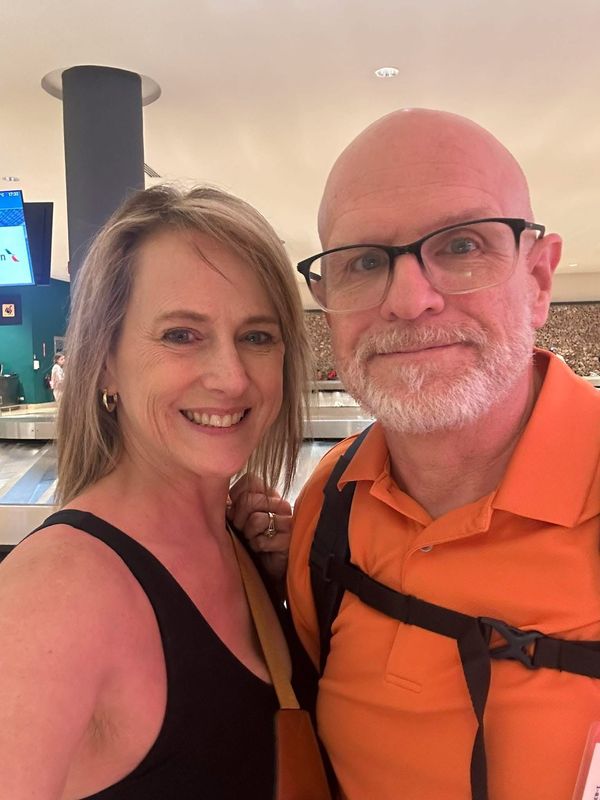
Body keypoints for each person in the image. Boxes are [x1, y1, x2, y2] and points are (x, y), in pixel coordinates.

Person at [232, 109, 600, 800]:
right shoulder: (330, 500)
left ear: (539, 280)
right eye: (364, 262)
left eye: (462, 245)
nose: (408, 300)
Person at [0, 184, 311, 799]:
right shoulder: (55, 594)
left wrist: (285, 587)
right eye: (180, 335)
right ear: (106, 360)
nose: (230, 377)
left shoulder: (234, 538)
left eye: (257, 336)